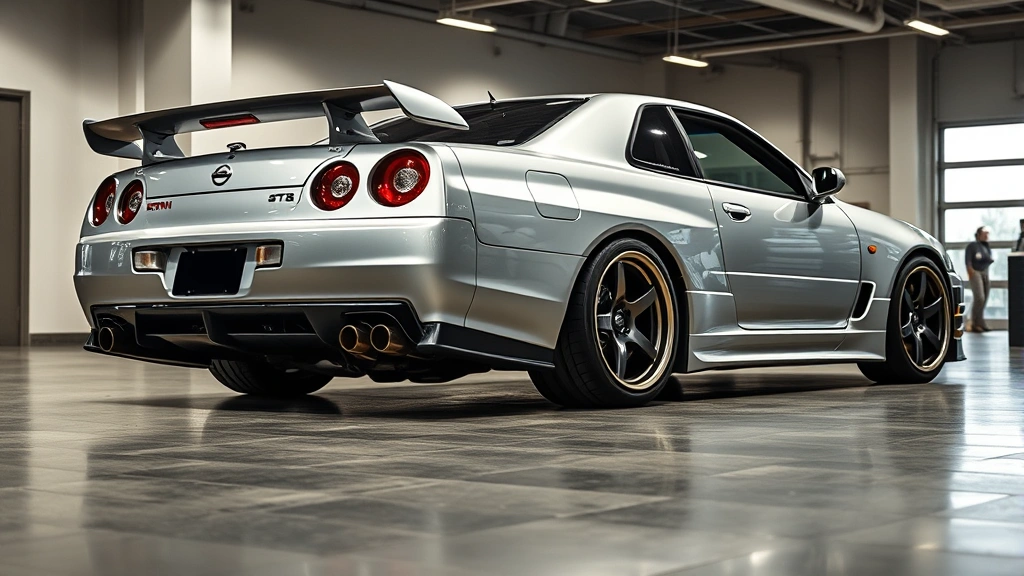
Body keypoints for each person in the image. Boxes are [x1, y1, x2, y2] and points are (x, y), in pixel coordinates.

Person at [966, 226, 994, 332]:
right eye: (984, 233)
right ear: (978, 235)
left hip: (985, 272)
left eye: (988, 234)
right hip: (975, 272)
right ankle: (973, 323)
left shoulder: (986, 247)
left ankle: (981, 322)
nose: (986, 236)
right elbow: (968, 260)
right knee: (979, 298)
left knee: (984, 298)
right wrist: (971, 272)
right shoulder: (972, 246)